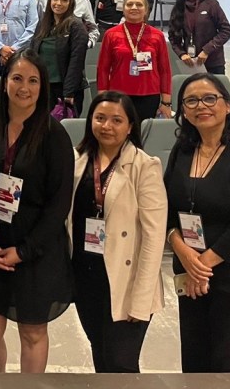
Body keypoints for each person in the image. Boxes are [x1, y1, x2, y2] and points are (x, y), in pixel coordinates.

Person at [0, 50, 73, 373]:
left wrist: (24, 250)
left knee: (32, 332)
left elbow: (59, 204)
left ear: (43, 87)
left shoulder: (55, 135)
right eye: (17, 78)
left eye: (33, 81)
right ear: (5, 83)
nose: (24, 87)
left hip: (36, 249)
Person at [164, 75, 230, 373]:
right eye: (191, 101)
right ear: (183, 111)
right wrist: (182, 251)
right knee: (195, 362)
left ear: (228, 105)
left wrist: (202, 265)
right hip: (190, 271)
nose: (201, 106)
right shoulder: (182, 151)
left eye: (210, 98)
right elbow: (167, 208)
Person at [68, 91, 166, 373]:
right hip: (86, 277)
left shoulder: (145, 166)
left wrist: (141, 299)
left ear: (130, 126)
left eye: (116, 120)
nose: (107, 126)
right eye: (100, 118)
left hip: (125, 281)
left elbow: (154, 237)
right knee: (100, 353)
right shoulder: (77, 160)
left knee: (121, 364)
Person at [96, 0, 172, 122]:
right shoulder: (111, 35)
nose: (134, 7)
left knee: (145, 133)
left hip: (149, 96)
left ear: (146, 10)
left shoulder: (157, 36)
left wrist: (166, 103)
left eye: (139, 4)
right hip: (118, 96)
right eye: (130, 4)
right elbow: (103, 69)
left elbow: (165, 70)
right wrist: (102, 99)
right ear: (123, 8)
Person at [31, 0, 89, 116]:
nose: (58, 3)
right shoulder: (43, 24)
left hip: (65, 89)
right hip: (43, 86)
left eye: (64, 0)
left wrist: (69, 92)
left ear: (71, 3)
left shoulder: (76, 26)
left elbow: (76, 62)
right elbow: (33, 53)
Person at [167, 0, 230, 75]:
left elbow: (225, 31)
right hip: (190, 63)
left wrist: (207, 50)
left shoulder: (211, 4)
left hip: (213, 61)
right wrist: (182, 54)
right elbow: (173, 37)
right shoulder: (178, 9)